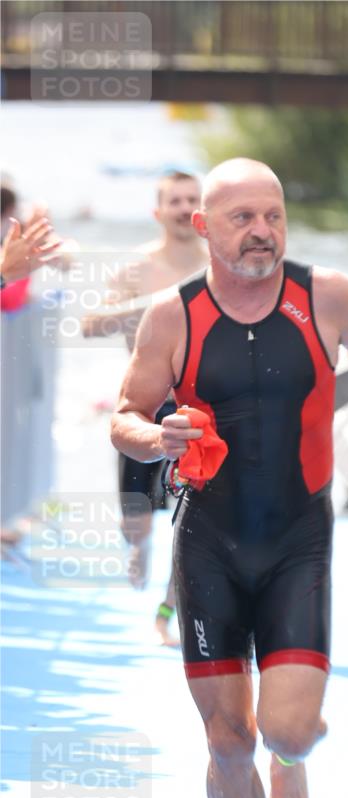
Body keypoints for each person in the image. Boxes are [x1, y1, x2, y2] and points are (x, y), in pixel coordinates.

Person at [110, 158, 348, 798]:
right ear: (204, 227)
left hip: (297, 541)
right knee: (229, 742)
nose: (262, 231)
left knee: (287, 730)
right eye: (243, 218)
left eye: (274, 216)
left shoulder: (328, 297)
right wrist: (158, 437)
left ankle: (291, 759)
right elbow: (124, 418)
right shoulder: (172, 316)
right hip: (208, 542)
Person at [83, 171, 209, 645]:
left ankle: (165, 615)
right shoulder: (137, 268)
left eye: (192, 199)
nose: (184, 207)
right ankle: (138, 542)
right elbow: (89, 324)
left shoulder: (218, 265)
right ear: (158, 212)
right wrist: (150, 305)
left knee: (194, 524)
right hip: (144, 410)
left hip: (199, 412)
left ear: (203, 211)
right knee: (137, 521)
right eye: (175, 200)